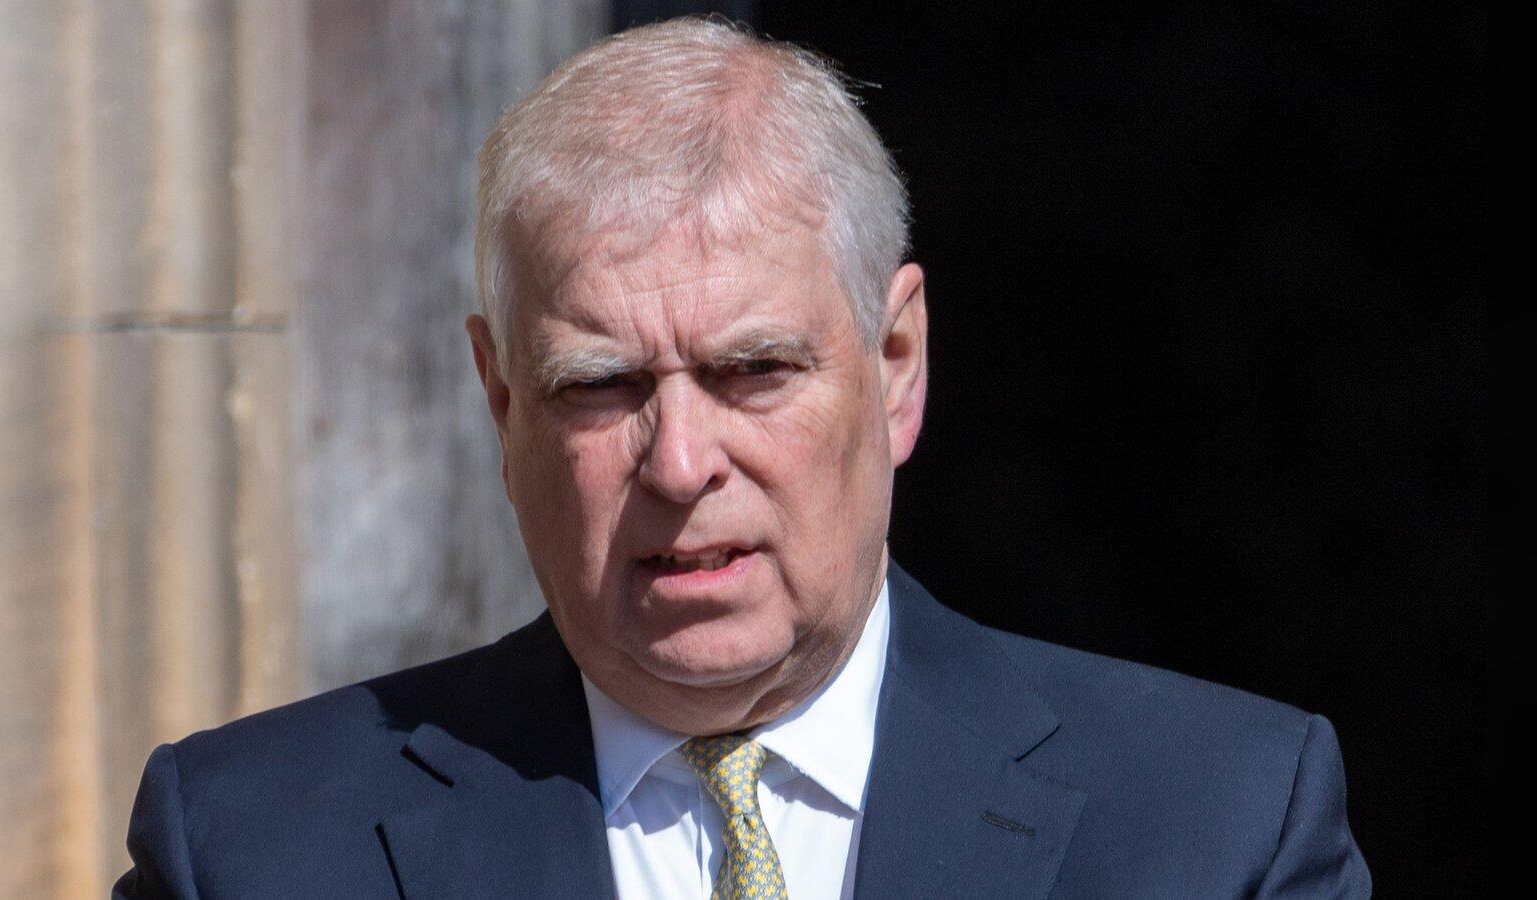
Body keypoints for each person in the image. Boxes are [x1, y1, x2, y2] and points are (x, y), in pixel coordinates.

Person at [114, 18, 1369, 899]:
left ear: (895, 364)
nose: (678, 464)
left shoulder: (1215, 825)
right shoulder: (252, 848)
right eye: (599, 385)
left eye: (752, 371)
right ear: (500, 403)